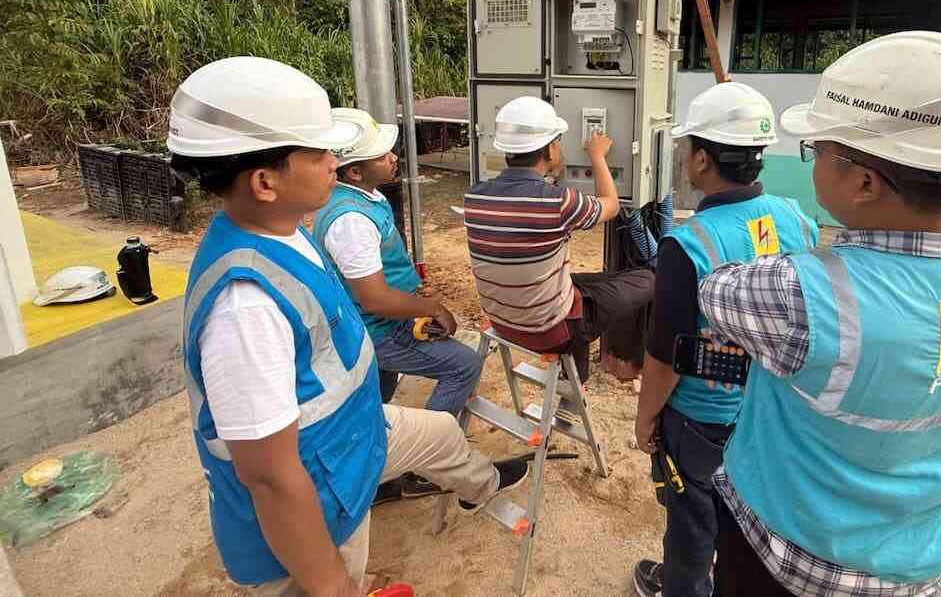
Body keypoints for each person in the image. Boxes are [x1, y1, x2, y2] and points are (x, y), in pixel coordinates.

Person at [695, 32, 941, 596]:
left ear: (864, 181)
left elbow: (715, 291)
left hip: (785, 558)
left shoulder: (804, 294)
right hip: (918, 560)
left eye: (818, 151)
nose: (812, 162)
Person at [169, 56, 528, 596]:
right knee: (340, 569)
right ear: (265, 182)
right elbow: (270, 477)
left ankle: (480, 485)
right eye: (318, 153)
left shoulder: (285, 230)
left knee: (441, 433)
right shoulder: (245, 307)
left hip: (351, 435)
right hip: (320, 483)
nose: (333, 163)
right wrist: (334, 585)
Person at [631, 83, 819, 597]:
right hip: (771, 410)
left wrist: (646, 419)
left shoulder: (686, 245)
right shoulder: (797, 218)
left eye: (687, 146)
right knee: (749, 525)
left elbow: (665, 356)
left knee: (693, 527)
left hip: (703, 421)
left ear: (701, 158)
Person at [464, 96, 654, 383]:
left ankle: (575, 381)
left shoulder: (474, 196)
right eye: (558, 141)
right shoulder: (559, 202)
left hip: (503, 321)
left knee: (586, 283)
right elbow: (611, 204)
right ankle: (606, 367)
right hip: (549, 331)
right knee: (648, 279)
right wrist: (597, 156)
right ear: (550, 149)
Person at [312, 108, 481, 414]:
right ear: (355, 172)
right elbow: (375, 300)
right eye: (381, 156)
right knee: (464, 365)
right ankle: (433, 440)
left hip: (379, 322)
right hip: (379, 330)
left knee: (378, 390)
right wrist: (433, 308)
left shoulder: (363, 198)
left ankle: (373, 430)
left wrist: (410, 289)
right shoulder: (351, 220)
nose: (393, 158)